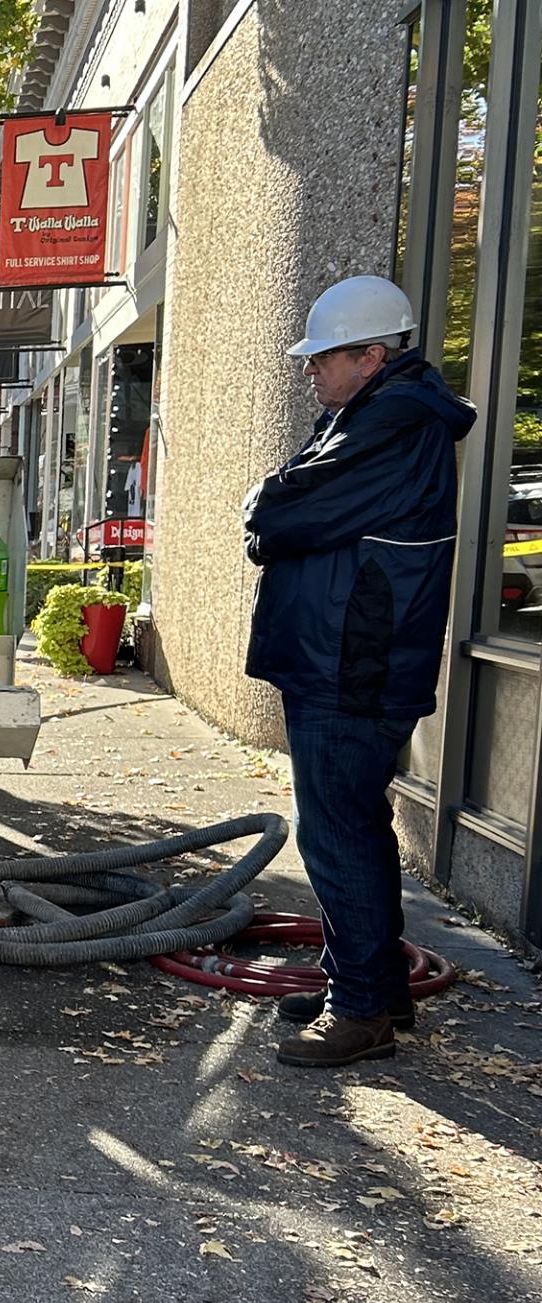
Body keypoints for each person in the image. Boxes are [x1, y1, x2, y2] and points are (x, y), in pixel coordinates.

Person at [242, 275, 475, 1068]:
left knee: (337, 833)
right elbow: (292, 507)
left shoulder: (394, 425)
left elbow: (278, 513)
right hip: (349, 661)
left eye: (324, 357)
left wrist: (268, 507)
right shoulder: (369, 418)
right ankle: (370, 982)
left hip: (354, 667)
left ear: (372, 355)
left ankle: (364, 1009)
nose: (310, 370)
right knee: (354, 827)